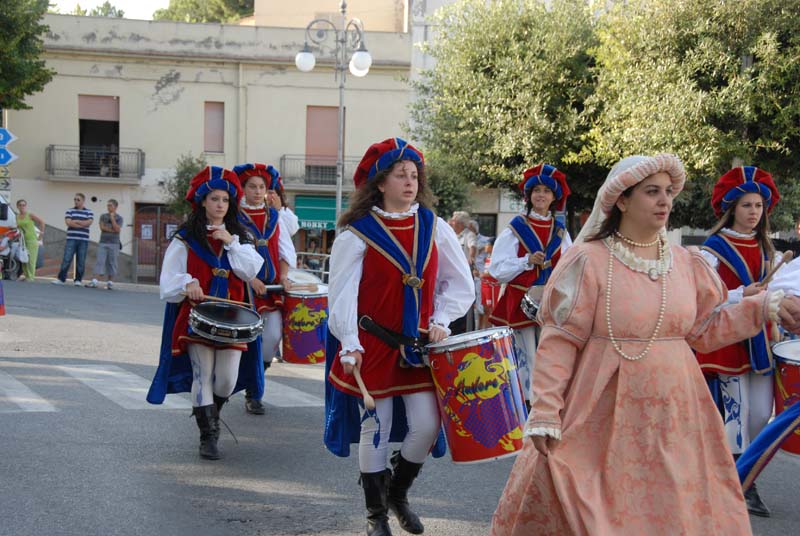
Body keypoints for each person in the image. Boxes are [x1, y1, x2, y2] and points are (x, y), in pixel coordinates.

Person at [491, 154, 800, 535]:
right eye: (651, 192)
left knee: (675, 509)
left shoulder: (688, 263)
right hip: (600, 410)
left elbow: (704, 330)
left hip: (677, 412)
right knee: (595, 505)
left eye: (668, 192)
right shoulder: (589, 260)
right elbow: (560, 341)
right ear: (621, 199)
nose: (664, 201)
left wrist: (763, 306)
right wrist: (545, 410)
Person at [324, 137, 474, 536]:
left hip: (419, 346)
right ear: (380, 183)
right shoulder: (357, 234)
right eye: (400, 175)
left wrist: (442, 317)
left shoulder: (434, 226)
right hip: (372, 343)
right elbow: (342, 294)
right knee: (376, 424)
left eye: (414, 175)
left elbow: (460, 284)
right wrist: (349, 343)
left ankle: (397, 493)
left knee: (426, 425)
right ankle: (376, 515)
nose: (410, 182)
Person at [146, 166, 264, 460]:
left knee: (226, 379)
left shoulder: (240, 236)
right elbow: (168, 281)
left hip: (233, 319)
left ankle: (212, 413)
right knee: (203, 374)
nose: (220, 205)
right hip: (197, 317)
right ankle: (208, 435)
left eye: (225, 199)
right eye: (214, 199)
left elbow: (250, 270)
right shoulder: (186, 238)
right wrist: (189, 283)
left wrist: (230, 242)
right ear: (202, 202)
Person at [695, 166, 782, 517]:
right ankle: (739, 483)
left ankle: (738, 474)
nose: (753, 212)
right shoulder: (711, 249)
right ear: (733, 208)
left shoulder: (767, 249)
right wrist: (739, 294)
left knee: (762, 414)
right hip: (728, 339)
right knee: (735, 413)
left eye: (758, 206)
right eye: (747, 205)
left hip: (760, 339)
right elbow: (702, 297)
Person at [488, 164, 572, 405]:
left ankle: (546, 404)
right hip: (520, 304)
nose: (541, 195)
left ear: (554, 197)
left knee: (549, 357)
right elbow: (497, 269)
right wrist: (526, 261)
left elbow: (572, 265)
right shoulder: (516, 228)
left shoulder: (560, 231)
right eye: (536, 190)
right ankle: (525, 406)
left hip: (551, 303)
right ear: (528, 195)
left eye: (546, 191)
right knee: (525, 359)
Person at [232, 163, 298, 415]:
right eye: (252, 187)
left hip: (272, 287)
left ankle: (256, 379)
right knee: (247, 342)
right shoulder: (234, 216)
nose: (258, 191)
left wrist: (284, 276)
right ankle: (253, 392)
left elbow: (284, 249)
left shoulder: (274, 216)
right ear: (244, 189)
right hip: (244, 287)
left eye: (262, 187)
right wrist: (250, 279)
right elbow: (233, 252)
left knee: (271, 337)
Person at [53, 193, 93, 286]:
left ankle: (78, 280)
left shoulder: (89, 212)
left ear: (83, 201)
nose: (76, 201)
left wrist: (76, 221)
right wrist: (81, 224)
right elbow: (68, 223)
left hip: (83, 240)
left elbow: (88, 223)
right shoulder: (69, 211)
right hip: (71, 238)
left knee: (81, 260)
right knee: (67, 258)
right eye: (75, 199)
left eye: (78, 200)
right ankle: (61, 279)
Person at [448, 210, 477, 334]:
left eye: (453, 220)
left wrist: (471, 257)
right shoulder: (450, 234)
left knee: (464, 300)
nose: (451, 222)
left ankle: (465, 329)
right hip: (451, 273)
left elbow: (473, 247)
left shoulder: (468, 235)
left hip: (464, 274)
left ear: (460, 223)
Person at [86, 199, 123, 289]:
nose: (108, 207)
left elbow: (118, 229)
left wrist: (112, 218)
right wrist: (113, 230)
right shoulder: (103, 216)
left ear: (115, 207)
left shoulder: (119, 218)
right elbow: (102, 227)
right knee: (100, 261)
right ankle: (95, 281)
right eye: (108, 205)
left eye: (110, 205)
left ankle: (110, 282)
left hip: (114, 243)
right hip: (103, 242)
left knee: (112, 262)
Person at [15, 199, 45, 282]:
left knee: (31, 260)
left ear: (26, 206)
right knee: (24, 259)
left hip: (32, 240)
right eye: (20, 205)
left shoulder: (30, 215)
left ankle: (31, 278)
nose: (22, 207)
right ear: (17, 206)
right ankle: (26, 275)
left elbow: (42, 222)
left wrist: (41, 235)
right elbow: (18, 227)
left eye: (24, 205)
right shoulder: (17, 216)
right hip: (23, 241)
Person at [479, 239, 499, 330]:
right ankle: (486, 330)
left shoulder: (497, 258)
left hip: (492, 287)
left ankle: (492, 331)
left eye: (487, 245)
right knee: (485, 310)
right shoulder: (487, 257)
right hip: (484, 285)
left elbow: (497, 273)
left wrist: (483, 275)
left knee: (492, 310)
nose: (485, 247)